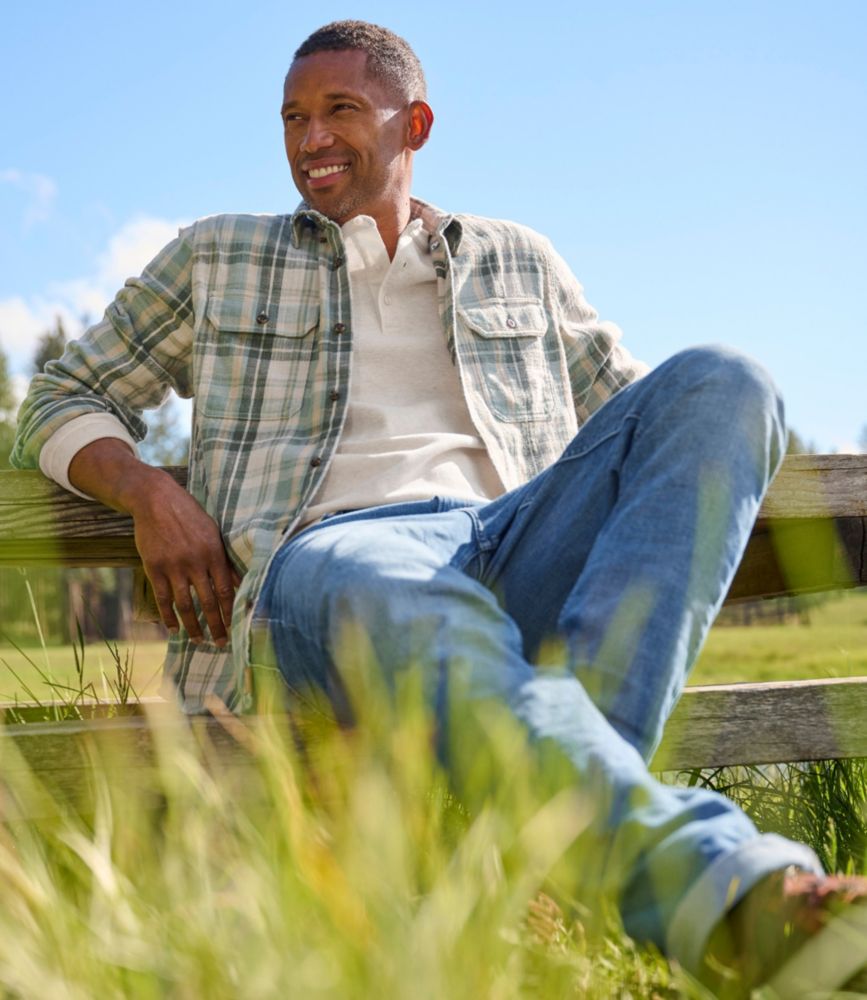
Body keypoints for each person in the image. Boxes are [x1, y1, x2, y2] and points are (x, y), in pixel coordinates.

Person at [12, 20, 866, 994]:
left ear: (414, 122)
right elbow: (59, 394)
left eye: (339, 110)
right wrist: (150, 489)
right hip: (329, 559)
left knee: (726, 381)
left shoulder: (519, 260)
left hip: (506, 537)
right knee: (410, 591)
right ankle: (736, 892)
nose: (309, 138)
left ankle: (553, 842)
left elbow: (640, 426)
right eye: (292, 117)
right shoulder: (218, 257)